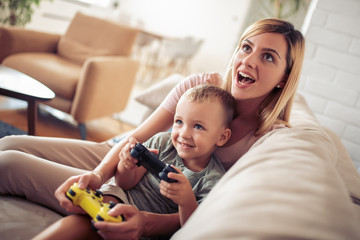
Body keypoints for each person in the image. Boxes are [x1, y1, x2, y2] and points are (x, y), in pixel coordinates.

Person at [0, 18, 305, 239]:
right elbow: (138, 140)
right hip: (118, 154)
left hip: (133, 194)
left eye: (268, 57)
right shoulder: (199, 86)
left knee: (8, 161)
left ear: (283, 77)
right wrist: (97, 175)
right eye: (246, 47)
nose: (248, 61)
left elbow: (202, 208)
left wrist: (145, 221)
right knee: (9, 145)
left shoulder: (266, 139)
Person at [33, 84, 234, 239]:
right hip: (121, 200)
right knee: (80, 223)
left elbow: (193, 228)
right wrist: (126, 166)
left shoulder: (213, 180)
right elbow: (125, 183)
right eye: (179, 122)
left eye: (198, 126)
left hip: (150, 232)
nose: (183, 134)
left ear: (222, 137)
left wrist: (186, 201)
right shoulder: (162, 142)